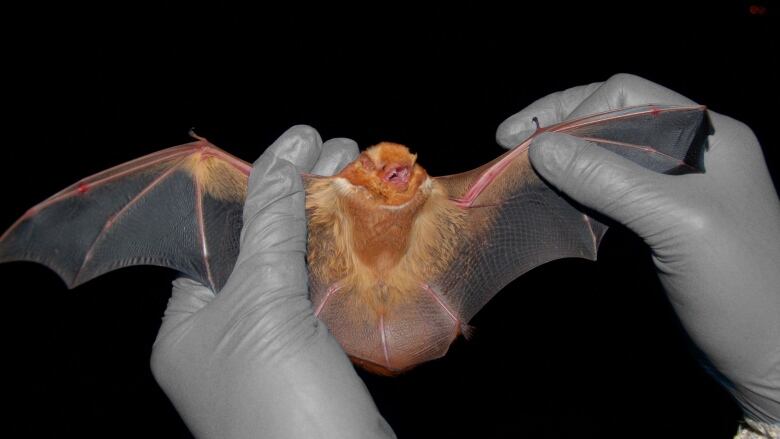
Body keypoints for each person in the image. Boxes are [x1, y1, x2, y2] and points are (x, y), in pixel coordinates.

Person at [150, 74, 780, 438]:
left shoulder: (448, 206)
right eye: (380, 171)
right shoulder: (332, 203)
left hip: (417, 297)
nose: (394, 179)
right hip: (341, 294)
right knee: (227, 182)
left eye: (404, 171)